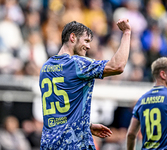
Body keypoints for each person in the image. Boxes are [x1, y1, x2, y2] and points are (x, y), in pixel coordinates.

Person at [39, 18, 131, 150]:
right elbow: (118, 66)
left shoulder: (46, 67)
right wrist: (127, 33)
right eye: (86, 41)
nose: (88, 47)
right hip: (74, 143)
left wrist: (86, 126)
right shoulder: (77, 63)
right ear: (72, 37)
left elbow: (57, 113)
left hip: (49, 143)